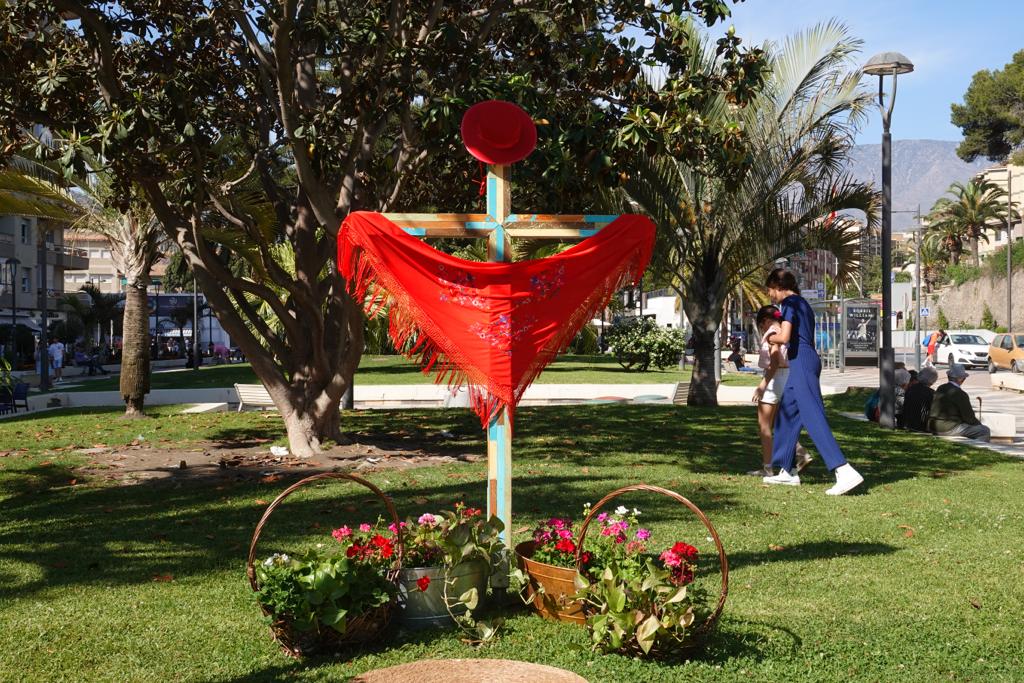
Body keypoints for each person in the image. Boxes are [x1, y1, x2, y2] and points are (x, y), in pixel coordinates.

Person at [761, 269, 864, 495]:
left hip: (802, 360)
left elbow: (785, 337)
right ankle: (787, 472)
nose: (769, 295)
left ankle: (843, 470)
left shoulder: (789, 303)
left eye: (769, 290)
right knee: (787, 414)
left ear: (777, 286)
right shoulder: (802, 303)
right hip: (803, 359)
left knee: (812, 415)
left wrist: (769, 337)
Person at [749, 305, 812, 477]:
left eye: (761, 324)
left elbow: (775, 361)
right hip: (787, 377)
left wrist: (762, 385)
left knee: (764, 426)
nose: (761, 328)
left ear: (766, 320)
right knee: (780, 423)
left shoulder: (771, 334)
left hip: (775, 378)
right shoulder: (784, 330)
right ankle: (800, 452)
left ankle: (768, 467)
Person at [928, 364, 991, 441]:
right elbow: (969, 418)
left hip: (933, 425)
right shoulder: (960, 394)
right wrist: (979, 425)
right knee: (984, 431)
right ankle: (975, 449)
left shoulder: (941, 388)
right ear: (961, 379)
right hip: (948, 427)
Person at [903, 366, 938, 432]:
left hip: (908, 423)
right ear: (933, 381)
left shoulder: (910, 389)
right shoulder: (931, 393)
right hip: (922, 426)